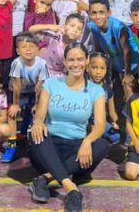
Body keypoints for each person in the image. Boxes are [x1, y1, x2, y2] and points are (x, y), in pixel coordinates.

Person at [28, 43, 110, 212]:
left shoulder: (96, 91)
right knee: (36, 132)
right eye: (71, 60)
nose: (75, 64)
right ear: (64, 62)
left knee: (102, 144)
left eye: (80, 59)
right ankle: (71, 189)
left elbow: (100, 125)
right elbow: (40, 114)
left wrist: (87, 141)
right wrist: (37, 122)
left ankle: (44, 179)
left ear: (87, 61)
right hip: (48, 149)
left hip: (77, 154)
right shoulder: (51, 84)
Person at [86, 0, 134, 103]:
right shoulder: (91, 26)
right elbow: (98, 48)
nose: (97, 16)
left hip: (131, 66)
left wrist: (127, 74)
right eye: (94, 13)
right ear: (89, 14)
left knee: (129, 93)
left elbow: (127, 51)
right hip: (115, 65)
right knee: (112, 95)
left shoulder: (119, 27)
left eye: (101, 12)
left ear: (109, 12)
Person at [9, 32, 50, 135]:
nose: (28, 49)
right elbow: (16, 86)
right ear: (18, 51)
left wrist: (37, 104)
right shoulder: (16, 63)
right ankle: (11, 144)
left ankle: (26, 137)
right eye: (24, 47)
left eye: (32, 46)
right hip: (16, 92)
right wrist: (15, 104)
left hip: (33, 91)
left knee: (33, 112)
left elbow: (39, 86)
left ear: (37, 50)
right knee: (12, 114)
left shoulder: (42, 64)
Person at [29, 13, 86, 78]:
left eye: (79, 29)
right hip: (41, 69)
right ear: (65, 26)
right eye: (72, 26)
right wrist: (49, 26)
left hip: (58, 75)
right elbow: (31, 30)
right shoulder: (56, 35)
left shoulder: (77, 47)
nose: (75, 30)